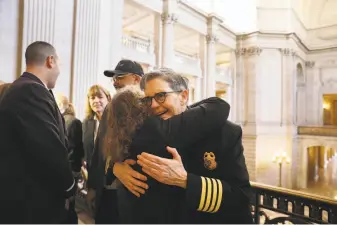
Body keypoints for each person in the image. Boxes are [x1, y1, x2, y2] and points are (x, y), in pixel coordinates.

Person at [134, 68, 253, 223]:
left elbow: (240, 197)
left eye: (161, 96)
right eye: (147, 100)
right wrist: (116, 168)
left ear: (183, 96)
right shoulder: (146, 130)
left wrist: (185, 180)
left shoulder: (225, 132)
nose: (153, 105)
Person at [103, 85, 230, 223]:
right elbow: (220, 106)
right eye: (146, 100)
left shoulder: (116, 138)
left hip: (129, 211)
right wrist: (184, 103)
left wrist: (114, 167)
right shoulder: (155, 129)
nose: (153, 104)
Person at [0, 41, 76, 223]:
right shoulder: (30, 90)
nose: (59, 70)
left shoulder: (23, 88)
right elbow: (48, 147)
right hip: (33, 204)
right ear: (51, 61)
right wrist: (69, 186)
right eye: (59, 64)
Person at [87, 59, 145, 223]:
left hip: (135, 196)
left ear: (136, 79)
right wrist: (93, 186)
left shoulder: (150, 109)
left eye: (120, 77)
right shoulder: (110, 108)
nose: (115, 82)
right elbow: (99, 150)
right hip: (107, 192)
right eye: (113, 78)